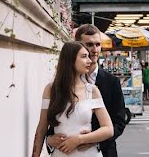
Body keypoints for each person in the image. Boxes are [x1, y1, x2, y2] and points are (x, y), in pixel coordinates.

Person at [45, 25, 128, 157]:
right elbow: (57, 120)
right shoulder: (58, 86)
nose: (94, 50)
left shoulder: (112, 82)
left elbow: (119, 122)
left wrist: (92, 140)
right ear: (77, 46)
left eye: (98, 44)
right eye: (89, 45)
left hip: (104, 152)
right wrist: (49, 139)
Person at [33, 41, 115, 157]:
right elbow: (42, 128)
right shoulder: (51, 90)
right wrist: (47, 142)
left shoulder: (92, 90)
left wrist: (79, 139)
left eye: (88, 56)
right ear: (70, 60)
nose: (89, 61)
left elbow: (108, 129)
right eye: (84, 56)